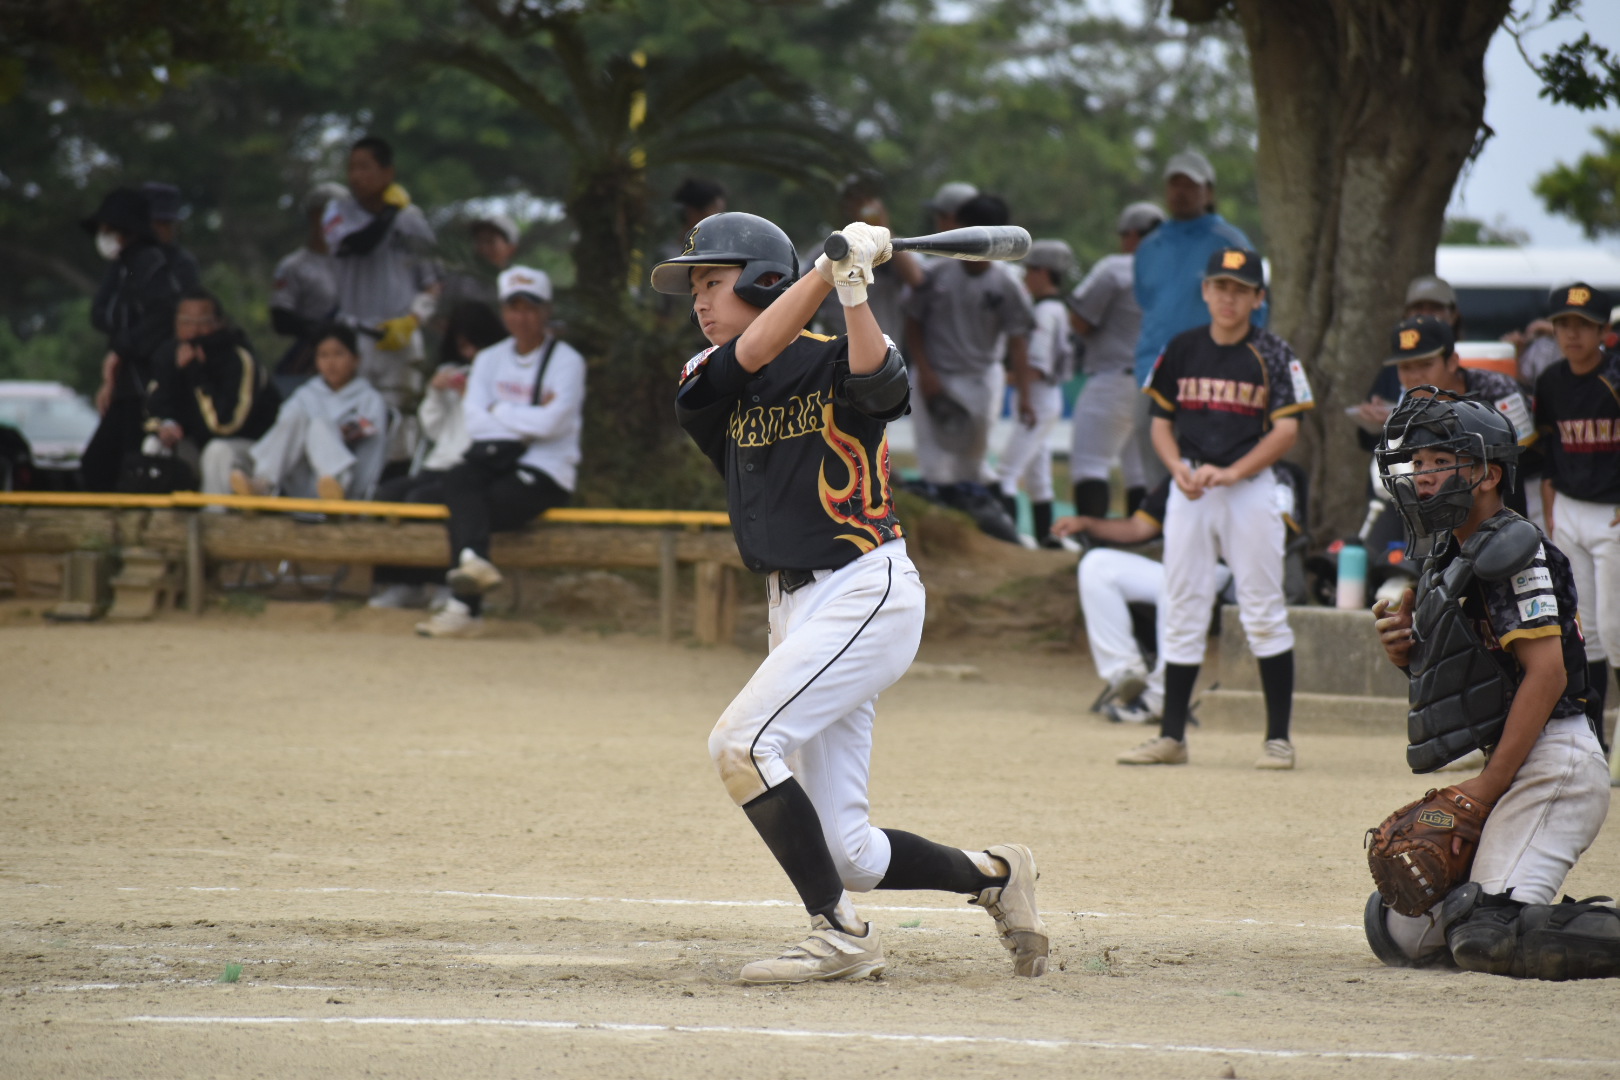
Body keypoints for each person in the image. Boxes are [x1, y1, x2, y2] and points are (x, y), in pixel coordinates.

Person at [652, 211, 1048, 984]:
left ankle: (839, 934)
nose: (699, 299)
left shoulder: (835, 355)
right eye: (695, 285)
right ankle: (999, 875)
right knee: (848, 854)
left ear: (762, 280)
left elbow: (880, 383)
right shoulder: (707, 377)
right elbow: (751, 354)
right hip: (793, 608)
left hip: (864, 588)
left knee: (740, 745)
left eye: (714, 280)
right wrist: (826, 270)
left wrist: (856, 291)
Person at [1364, 389, 1613, 977]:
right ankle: (1497, 900)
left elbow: (1547, 676)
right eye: (1416, 462)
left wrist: (1485, 788)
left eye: (1440, 460)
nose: (1423, 475)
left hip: (1555, 762)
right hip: (1507, 756)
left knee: (1487, 937)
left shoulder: (1514, 550)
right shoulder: (1450, 554)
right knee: (1399, 935)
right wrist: (1408, 652)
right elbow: (1471, 677)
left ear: (1488, 474)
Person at [1120, 247, 1310, 769]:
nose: (1229, 297)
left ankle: (1278, 739)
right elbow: (1160, 421)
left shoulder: (1273, 352)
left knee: (1262, 607)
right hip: (1192, 486)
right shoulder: (1182, 348)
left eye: (1241, 289)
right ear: (1205, 290)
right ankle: (1172, 736)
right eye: (1221, 286)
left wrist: (1233, 472)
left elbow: (1287, 430)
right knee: (1182, 603)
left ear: (1258, 298)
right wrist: (1175, 467)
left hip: (1250, 488)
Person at [414, 268, 585, 639]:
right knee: (458, 479)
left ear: (546, 311)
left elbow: (554, 424)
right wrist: (529, 415)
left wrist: (497, 408)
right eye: (513, 308)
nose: (521, 317)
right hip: (492, 462)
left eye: (530, 308)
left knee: (468, 506)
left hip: (545, 471)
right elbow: (476, 423)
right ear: (504, 312)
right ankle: (473, 568)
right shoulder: (489, 359)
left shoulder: (567, 361)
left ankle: (464, 604)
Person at [1130, 150, 1259, 490]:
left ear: (1209, 192)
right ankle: (1160, 521)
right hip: (1153, 369)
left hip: (1212, 373)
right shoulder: (1149, 246)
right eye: (1175, 184)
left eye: (1191, 185)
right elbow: (1146, 302)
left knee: (1207, 464)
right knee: (1155, 462)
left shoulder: (1229, 243)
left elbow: (1256, 309)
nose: (1181, 192)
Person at [1534, 283, 1620, 746]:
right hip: (1569, 510)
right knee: (1584, 631)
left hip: (1612, 514)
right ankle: (1595, 738)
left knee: (1615, 627)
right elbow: (1549, 449)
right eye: (1564, 324)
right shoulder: (1550, 381)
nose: (1572, 334)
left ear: (1603, 331)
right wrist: (1551, 508)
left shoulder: (1615, 375)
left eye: (1584, 325)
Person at [902, 194, 1036, 489]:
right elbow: (913, 322)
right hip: (934, 375)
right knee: (934, 465)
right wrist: (925, 371)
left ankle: (973, 506)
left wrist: (1025, 397)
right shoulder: (935, 273)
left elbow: (1018, 342)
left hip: (981, 379)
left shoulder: (1007, 284)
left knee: (971, 463)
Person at [322, 135, 441, 459]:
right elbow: (359, 244)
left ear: (388, 173)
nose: (356, 176)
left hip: (398, 336)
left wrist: (414, 319)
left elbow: (432, 282)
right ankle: (348, 481)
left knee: (399, 418)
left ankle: (393, 481)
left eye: (365, 167)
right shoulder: (339, 211)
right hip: (354, 335)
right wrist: (389, 211)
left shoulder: (411, 218)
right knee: (350, 418)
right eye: (352, 168)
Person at [79, 187, 200, 491]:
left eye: (110, 230)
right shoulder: (123, 266)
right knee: (100, 465)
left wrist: (122, 348)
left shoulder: (151, 262)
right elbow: (103, 314)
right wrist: (116, 357)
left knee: (129, 466)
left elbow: (162, 317)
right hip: (126, 384)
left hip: (148, 383)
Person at [1068, 201, 1163, 518]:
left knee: (1090, 465)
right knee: (1139, 472)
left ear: (1133, 234)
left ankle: (1091, 541)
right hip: (1154, 382)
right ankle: (1141, 541)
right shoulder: (1173, 274)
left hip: (1113, 378)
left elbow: (1080, 321)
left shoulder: (1116, 267)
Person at [230, 323, 388, 501]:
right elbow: (284, 428)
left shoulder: (369, 398)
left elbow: (369, 435)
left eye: (338, 354)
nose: (331, 363)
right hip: (304, 479)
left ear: (356, 359)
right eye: (323, 355)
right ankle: (264, 483)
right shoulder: (306, 394)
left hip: (352, 482)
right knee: (296, 417)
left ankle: (337, 482)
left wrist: (335, 432)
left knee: (320, 425)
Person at [144, 289, 280, 493]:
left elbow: (226, 424)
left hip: (244, 450)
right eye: (186, 322)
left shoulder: (238, 359)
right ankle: (162, 513)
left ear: (219, 323)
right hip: (195, 447)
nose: (193, 331)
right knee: (154, 445)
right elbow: (153, 407)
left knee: (216, 451)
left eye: (202, 322)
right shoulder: (169, 355)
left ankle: (215, 511)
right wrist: (167, 425)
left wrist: (196, 374)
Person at [994, 239, 1076, 546]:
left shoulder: (1044, 313)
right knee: (1038, 476)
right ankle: (1047, 537)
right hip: (1045, 397)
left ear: (1043, 272)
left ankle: (1009, 539)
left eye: (1030, 270)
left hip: (1037, 397)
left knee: (1006, 471)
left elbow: (1037, 366)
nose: (1027, 277)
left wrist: (1002, 379)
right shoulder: (1056, 308)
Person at [809, 174, 924, 342]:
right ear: (846, 208)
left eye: (869, 198)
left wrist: (884, 230)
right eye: (857, 200)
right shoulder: (829, 251)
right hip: (838, 351)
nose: (865, 205)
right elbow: (804, 301)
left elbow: (916, 278)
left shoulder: (897, 248)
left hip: (885, 351)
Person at [1352, 276, 1464, 443]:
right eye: (1406, 367)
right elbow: (1368, 440)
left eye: (1426, 364)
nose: (1415, 375)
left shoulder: (1478, 365)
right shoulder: (1392, 371)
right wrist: (1380, 418)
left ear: (1452, 363)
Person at [270, 182, 346, 392]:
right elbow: (280, 319)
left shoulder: (355, 263)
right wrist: (318, 330)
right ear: (314, 216)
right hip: (313, 355)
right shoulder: (293, 266)